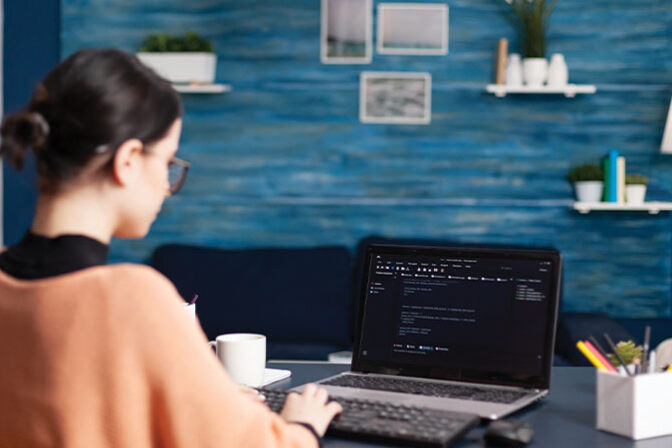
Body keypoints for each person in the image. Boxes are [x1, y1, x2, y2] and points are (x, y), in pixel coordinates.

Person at [0, 48, 341, 447]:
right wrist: (301, 427)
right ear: (128, 160)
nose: (167, 185)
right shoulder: (134, 298)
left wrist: (217, 404)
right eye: (166, 162)